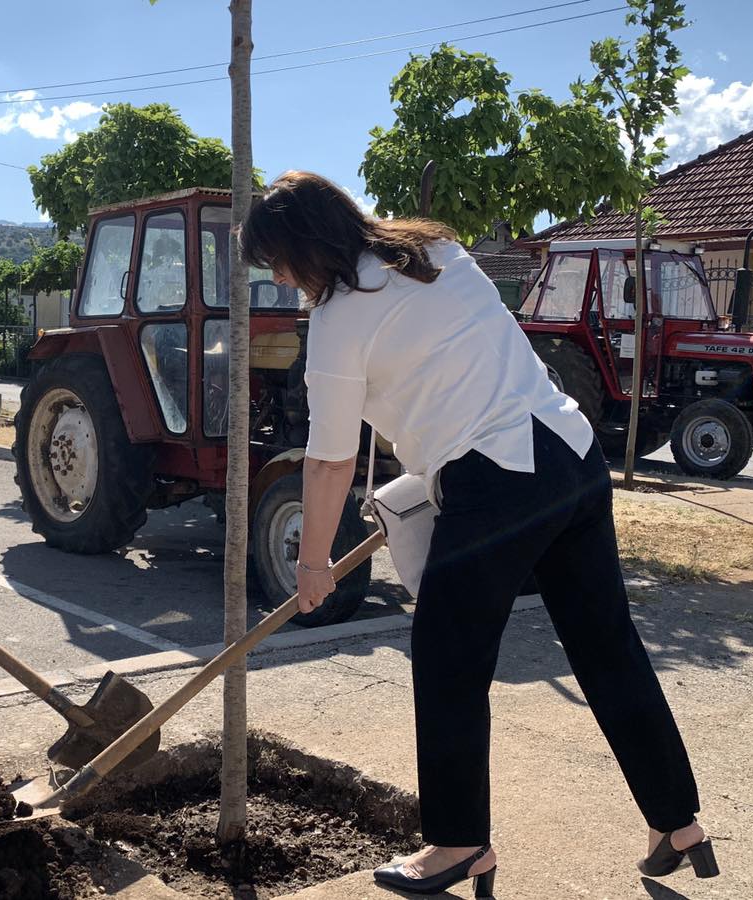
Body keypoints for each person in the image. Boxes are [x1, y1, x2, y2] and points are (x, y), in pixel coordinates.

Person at [240, 171, 714, 895]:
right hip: (570, 453)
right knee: (605, 646)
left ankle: (459, 843)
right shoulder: (433, 252)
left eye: (277, 261)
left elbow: (332, 456)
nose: (278, 278)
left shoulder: (339, 317)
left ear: (305, 246)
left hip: (498, 479)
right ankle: (677, 820)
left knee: (447, 656)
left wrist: (312, 560)